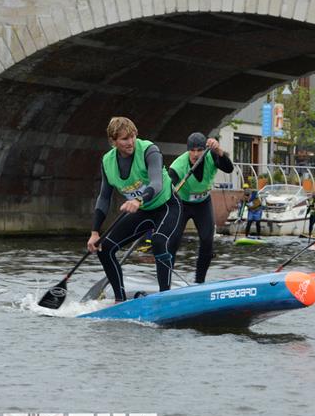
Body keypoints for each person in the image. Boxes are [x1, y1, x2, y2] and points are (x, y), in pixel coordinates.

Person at [87, 117, 182, 302]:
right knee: (104, 248)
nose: (130, 142)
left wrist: (139, 199)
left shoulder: (149, 150)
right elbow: (104, 197)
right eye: (124, 139)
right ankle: (119, 300)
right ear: (113, 141)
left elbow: (156, 183)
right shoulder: (107, 162)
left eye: (132, 137)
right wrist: (94, 232)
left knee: (158, 241)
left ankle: (165, 297)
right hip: (143, 210)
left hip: (167, 206)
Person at [168, 132, 234, 283]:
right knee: (173, 240)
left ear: (205, 150)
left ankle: (199, 282)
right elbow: (166, 189)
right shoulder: (178, 166)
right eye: (192, 150)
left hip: (203, 204)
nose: (196, 154)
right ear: (188, 150)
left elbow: (229, 168)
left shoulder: (212, 156)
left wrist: (219, 151)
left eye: (199, 150)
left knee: (207, 241)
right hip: (181, 205)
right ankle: (166, 281)